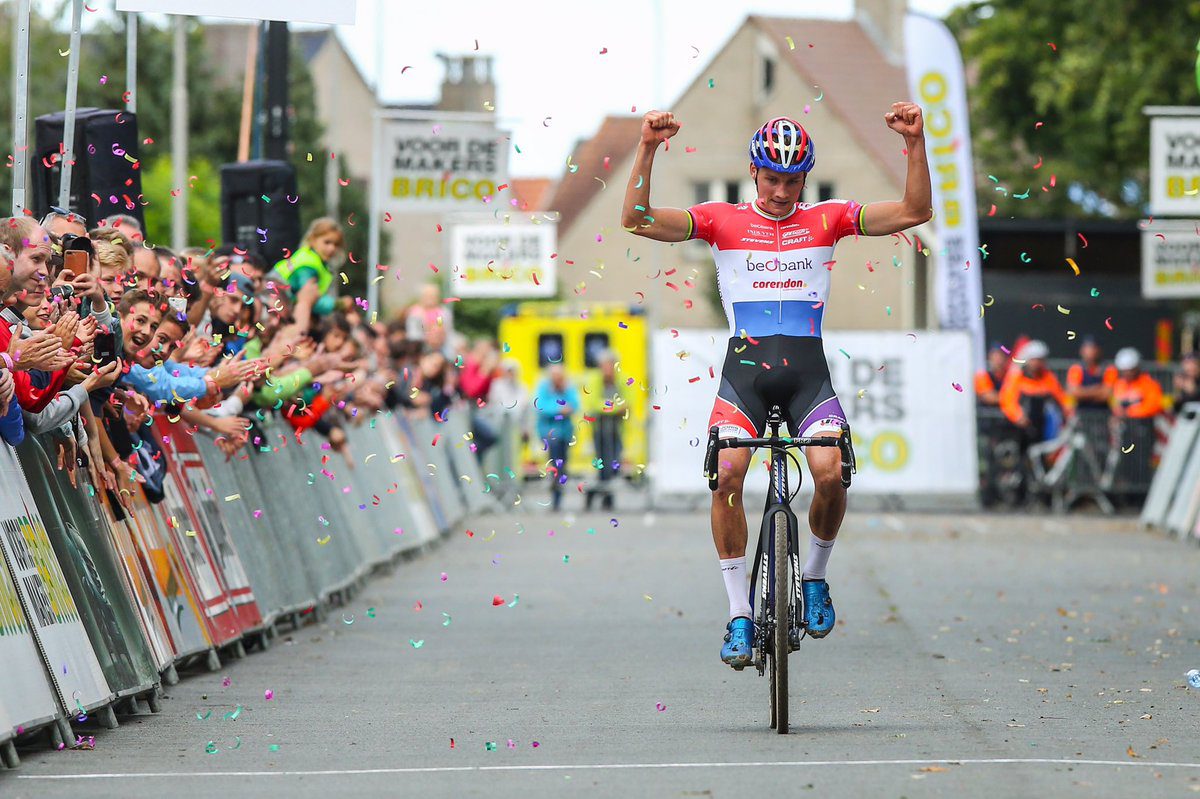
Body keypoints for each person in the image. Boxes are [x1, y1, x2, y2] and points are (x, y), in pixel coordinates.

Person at [621, 104, 932, 666]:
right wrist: (646, 147)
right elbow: (637, 219)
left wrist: (914, 143)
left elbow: (915, 210)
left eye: (793, 181)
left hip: (807, 377)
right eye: (771, 179)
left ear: (805, 178)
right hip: (745, 377)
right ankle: (739, 614)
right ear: (753, 172)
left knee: (831, 472)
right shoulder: (720, 220)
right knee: (728, 477)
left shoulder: (829, 219)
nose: (782, 191)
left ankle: (814, 577)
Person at [998, 340, 1070, 440]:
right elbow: (1007, 400)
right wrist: (1018, 416)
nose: (1037, 363)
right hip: (1021, 427)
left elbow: (1062, 397)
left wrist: (1070, 409)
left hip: (1043, 425)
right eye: (1034, 360)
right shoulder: (1016, 378)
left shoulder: (1048, 378)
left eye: (1040, 360)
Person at [272, 217, 344, 318]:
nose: (332, 248)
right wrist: (339, 305)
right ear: (313, 240)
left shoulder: (315, 261)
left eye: (336, 244)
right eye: (327, 242)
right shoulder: (308, 265)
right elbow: (307, 297)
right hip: (273, 305)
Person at [583, 350, 627, 510]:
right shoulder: (594, 380)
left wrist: (612, 407)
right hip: (600, 430)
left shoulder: (622, 380)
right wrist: (615, 407)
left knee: (615, 463)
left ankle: (603, 494)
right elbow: (593, 403)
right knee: (602, 465)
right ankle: (603, 496)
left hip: (616, 430)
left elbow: (629, 401)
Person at [535, 364, 580, 512]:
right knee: (555, 461)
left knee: (562, 462)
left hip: (564, 434)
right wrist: (559, 409)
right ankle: (556, 490)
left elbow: (575, 405)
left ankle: (558, 489)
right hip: (549, 433)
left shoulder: (568, 388)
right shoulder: (544, 387)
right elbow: (540, 405)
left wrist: (565, 395)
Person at [1110, 347, 1164, 419]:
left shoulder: (1150, 384)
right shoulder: (1119, 384)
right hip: (1125, 423)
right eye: (1124, 371)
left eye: (1130, 370)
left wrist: (1129, 413)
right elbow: (1115, 403)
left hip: (1145, 423)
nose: (1127, 373)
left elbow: (1153, 406)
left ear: (1137, 368)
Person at [1065, 337, 1116, 410]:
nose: (1090, 352)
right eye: (1087, 348)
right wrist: (1097, 389)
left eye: (1093, 348)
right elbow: (1074, 392)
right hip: (1081, 412)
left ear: (1099, 350)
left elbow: (1107, 394)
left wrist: (1083, 393)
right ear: (1081, 351)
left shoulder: (1109, 369)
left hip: (1104, 411)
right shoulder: (1076, 369)